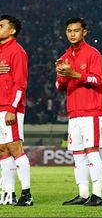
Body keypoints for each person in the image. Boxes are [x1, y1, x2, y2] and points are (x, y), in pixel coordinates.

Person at [55, 18, 102, 206]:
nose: (72, 34)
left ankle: (97, 195)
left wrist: (74, 73)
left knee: (91, 152)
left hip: (91, 110)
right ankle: (83, 194)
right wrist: (60, 75)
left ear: (84, 32)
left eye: (76, 30)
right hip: (73, 112)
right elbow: (60, 86)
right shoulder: (65, 56)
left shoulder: (93, 54)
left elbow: (97, 80)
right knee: (77, 153)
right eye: (69, 30)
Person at [0, 15, 31, 207]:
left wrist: (13, 108)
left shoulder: (17, 52)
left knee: (15, 149)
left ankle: (26, 194)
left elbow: (21, 83)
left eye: (1, 25)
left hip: (10, 109)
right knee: (2, 151)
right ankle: (9, 193)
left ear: (12, 31)